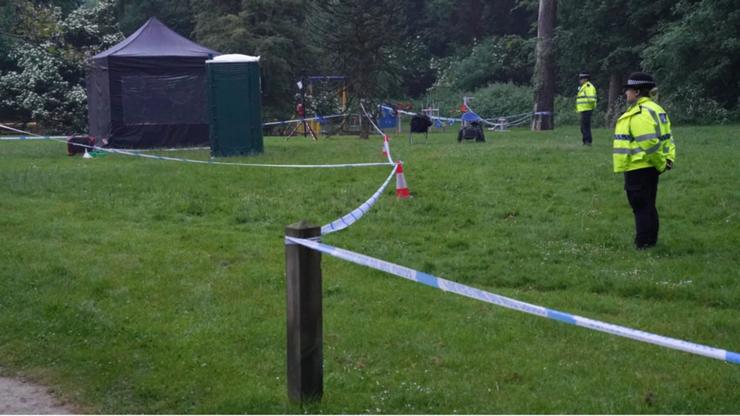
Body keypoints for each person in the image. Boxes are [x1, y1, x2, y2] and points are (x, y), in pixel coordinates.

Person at [613, 72, 676, 249]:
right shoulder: (657, 110)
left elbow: (649, 143)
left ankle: (643, 244)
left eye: (629, 90)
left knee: (640, 206)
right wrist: (667, 160)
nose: (626, 93)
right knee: (648, 205)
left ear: (638, 92)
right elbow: (668, 139)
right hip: (649, 167)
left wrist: (660, 163)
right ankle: (650, 242)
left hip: (638, 167)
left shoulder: (640, 113)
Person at [576, 72, 597, 145]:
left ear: (586, 79)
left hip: (587, 109)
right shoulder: (584, 86)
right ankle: (586, 141)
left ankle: (587, 141)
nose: (580, 80)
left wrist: (590, 105)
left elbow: (591, 98)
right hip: (584, 109)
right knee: (584, 127)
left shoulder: (588, 87)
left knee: (585, 127)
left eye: (581, 78)